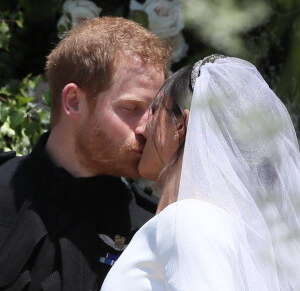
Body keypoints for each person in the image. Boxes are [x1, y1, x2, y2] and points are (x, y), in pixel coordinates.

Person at [101, 55, 300, 290]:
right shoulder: (240, 234)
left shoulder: (188, 219)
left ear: (181, 125)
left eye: (154, 109)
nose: (142, 127)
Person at [0, 17, 170, 290]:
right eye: (131, 108)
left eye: (153, 112)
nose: (146, 129)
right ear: (74, 102)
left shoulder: (149, 231)